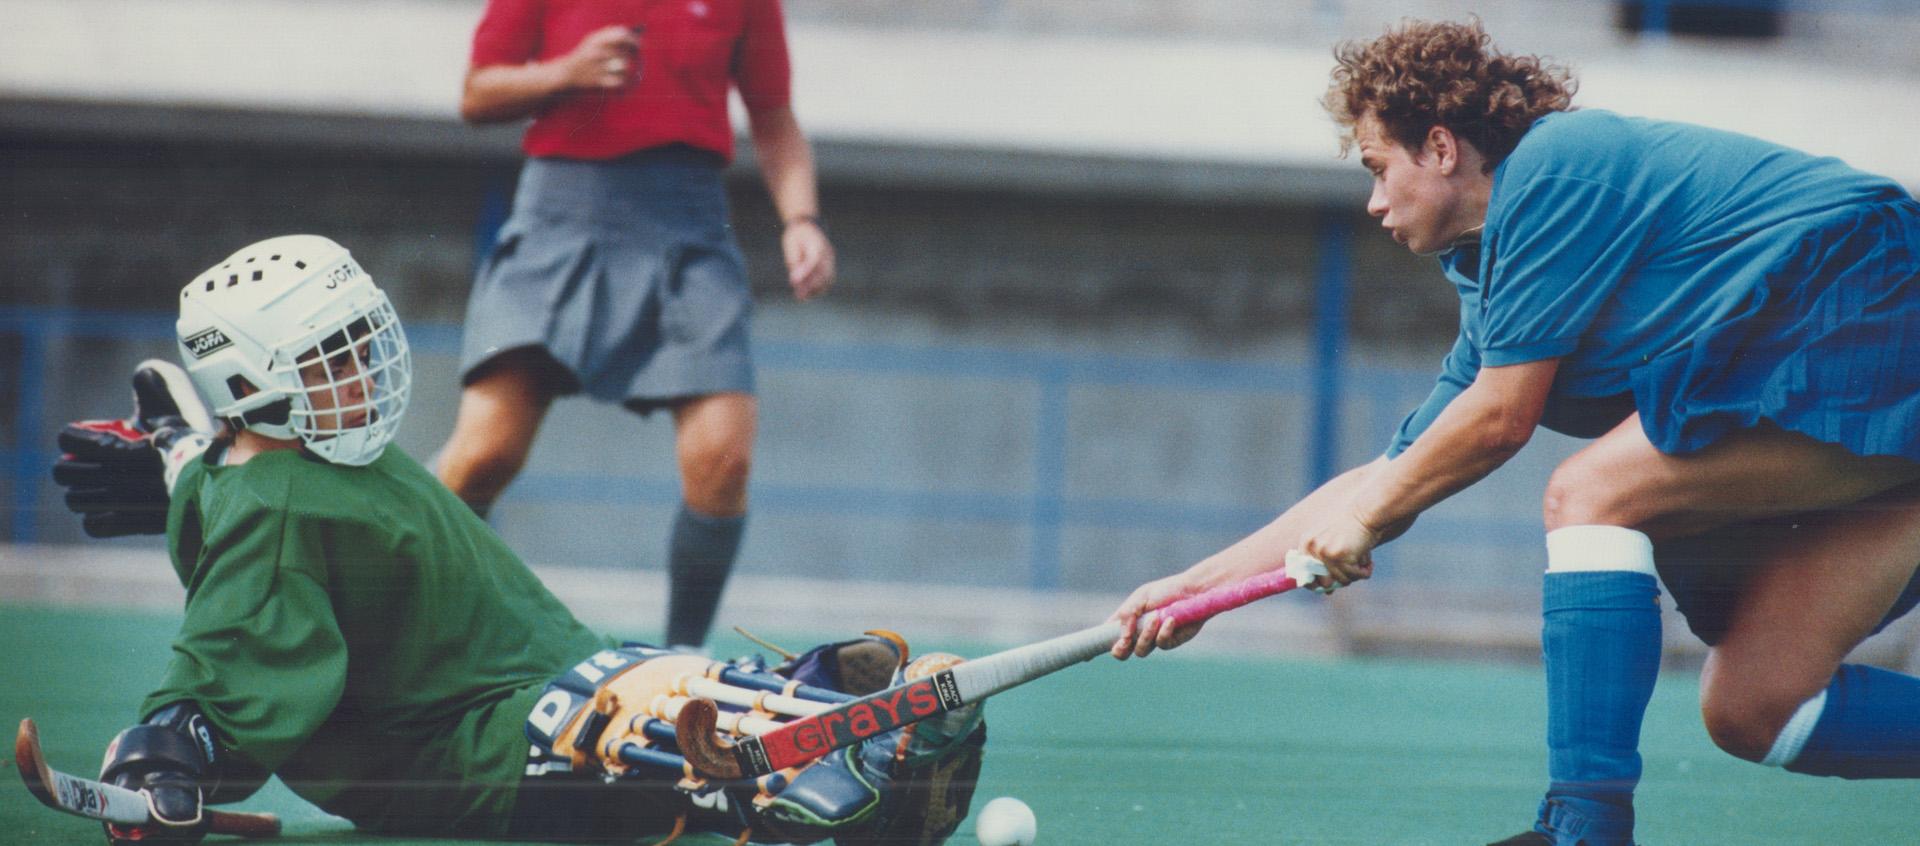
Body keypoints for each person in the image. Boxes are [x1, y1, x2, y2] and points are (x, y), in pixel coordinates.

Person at [1108, 19, 1920, 846]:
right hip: (1877, 404)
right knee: (1756, 708)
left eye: (1378, 169)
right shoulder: (1498, 282)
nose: (1374, 201)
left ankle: (1584, 828)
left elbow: (1499, 421)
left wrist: (1367, 519)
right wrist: (1199, 585)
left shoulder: (1556, 165)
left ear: (1440, 145)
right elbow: (1398, 468)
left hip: (1879, 315)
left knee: (1592, 494)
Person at [48, 235, 979, 846]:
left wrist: (178, 459)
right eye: (332, 357)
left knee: (646, 683)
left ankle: (797, 714)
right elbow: (241, 652)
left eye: (361, 340)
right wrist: (170, 750)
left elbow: (226, 470)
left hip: (514, 679)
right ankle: (823, 783)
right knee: (626, 723)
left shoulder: (310, 455)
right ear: (252, 385)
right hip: (450, 747)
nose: (365, 367)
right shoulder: (280, 504)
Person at [438, 0, 837, 650]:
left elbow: (772, 115)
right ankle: (399, 615)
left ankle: (682, 658)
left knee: (723, 457)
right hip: (560, 215)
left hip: (688, 225)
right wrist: (564, 72)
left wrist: (803, 220)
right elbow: (478, 91)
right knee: (485, 453)